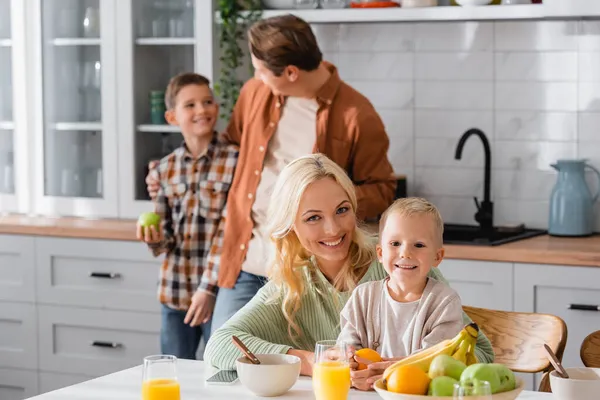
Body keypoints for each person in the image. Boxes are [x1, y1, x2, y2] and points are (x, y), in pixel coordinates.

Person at [146, 14, 397, 333]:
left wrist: (328, 201)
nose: (256, 76)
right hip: (247, 262)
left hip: (307, 271)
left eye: (261, 69)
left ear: (291, 72)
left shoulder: (356, 114)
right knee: (226, 360)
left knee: (302, 366)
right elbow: (226, 153)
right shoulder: (255, 93)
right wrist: (167, 175)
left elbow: (382, 189)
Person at [204, 154, 494, 388]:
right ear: (291, 226)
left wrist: (409, 367)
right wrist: (308, 361)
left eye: (342, 210)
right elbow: (219, 345)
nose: (333, 229)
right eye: (313, 217)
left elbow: (481, 353)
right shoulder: (292, 285)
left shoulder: (399, 265)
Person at [136, 72, 238, 360]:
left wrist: (208, 290)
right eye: (190, 105)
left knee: (219, 372)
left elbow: (229, 231)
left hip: (218, 294)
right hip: (175, 293)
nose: (201, 110)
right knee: (174, 373)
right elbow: (165, 241)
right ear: (171, 117)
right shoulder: (163, 170)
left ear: (217, 108)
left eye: (207, 102)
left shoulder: (236, 162)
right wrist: (153, 239)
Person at [338, 198, 463, 368]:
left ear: (437, 257)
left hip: (415, 391)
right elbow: (346, 345)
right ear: (380, 253)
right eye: (395, 243)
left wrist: (388, 371)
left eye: (418, 245)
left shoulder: (444, 303)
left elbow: (436, 358)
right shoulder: (363, 296)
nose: (405, 253)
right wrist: (350, 358)